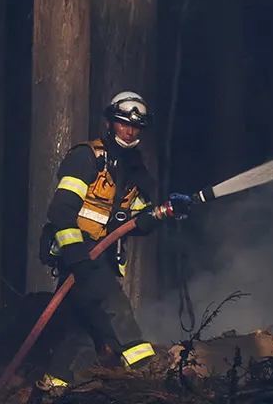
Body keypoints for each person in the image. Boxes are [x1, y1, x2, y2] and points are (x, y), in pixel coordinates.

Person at [33, 91, 193, 400]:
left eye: (136, 126)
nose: (130, 131)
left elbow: (137, 219)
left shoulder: (134, 169)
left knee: (81, 331)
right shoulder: (86, 158)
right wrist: (76, 254)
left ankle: (53, 387)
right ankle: (149, 372)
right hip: (78, 254)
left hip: (101, 257)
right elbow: (61, 210)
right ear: (109, 123)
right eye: (123, 124)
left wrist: (166, 212)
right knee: (114, 307)